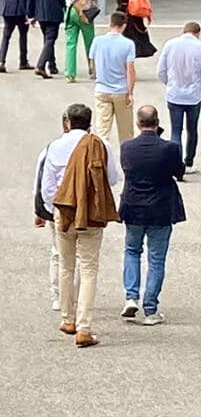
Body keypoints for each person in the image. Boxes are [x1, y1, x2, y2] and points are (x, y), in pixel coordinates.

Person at [41, 102, 119, 348]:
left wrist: (55, 208)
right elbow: (114, 178)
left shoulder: (55, 146)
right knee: (88, 269)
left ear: (67, 123)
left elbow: (47, 186)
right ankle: (84, 328)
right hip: (91, 215)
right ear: (90, 123)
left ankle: (68, 319)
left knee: (66, 266)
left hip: (63, 212)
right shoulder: (101, 145)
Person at [119, 104, 186, 326]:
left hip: (133, 206)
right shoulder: (171, 148)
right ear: (157, 123)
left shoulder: (127, 148)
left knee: (132, 250)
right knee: (156, 258)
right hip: (161, 207)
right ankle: (150, 309)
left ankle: (131, 296)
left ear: (138, 124)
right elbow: (179, 171)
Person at [157, 22, 201, 174]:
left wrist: (169, 84)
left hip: (174, 94)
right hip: (194, 95)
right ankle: (189, 162)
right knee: (192, 129)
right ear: (198, 33)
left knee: (176, 130)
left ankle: (176, 164)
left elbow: (161, 70)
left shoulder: (170, 45)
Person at [33, 108, 72, 311]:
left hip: (58, 207)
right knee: (83, 257)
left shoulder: (51, 149)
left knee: (58, 253)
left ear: (66, 124)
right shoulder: (92, 146)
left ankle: (58, 295)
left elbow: (41, 181)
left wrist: (42, 210)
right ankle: (75, 295)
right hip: (83, 208)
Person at [89, 11, 136, 146]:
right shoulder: (128, 44)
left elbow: (92, 62)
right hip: (121, 90)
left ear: (110, 24)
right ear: (124, 25)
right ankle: (126, 163)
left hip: (101, 89)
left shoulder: (97, 41)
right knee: (126, 132)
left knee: (102, 131)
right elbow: (130, 69)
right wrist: (130, 92)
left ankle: (100, 161)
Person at [26, 0, 65, 79]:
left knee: (47, 39)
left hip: (40, 13)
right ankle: (41, 65)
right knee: (50, 39)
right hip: (54, 12)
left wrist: (30, 15)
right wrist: (64, 6)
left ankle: (52, 65)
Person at [62, 0, 96, 83]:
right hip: (82, 11)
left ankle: (70, 73)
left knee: (70, 44)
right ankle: (92, 69)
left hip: (70, 11)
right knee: (90, 42)